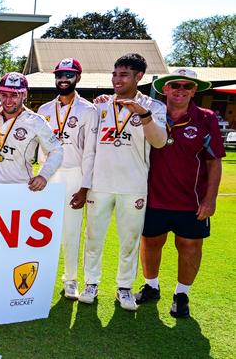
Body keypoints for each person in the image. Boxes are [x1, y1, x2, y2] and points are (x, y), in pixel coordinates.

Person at [78, 53, 167, 311]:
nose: (117, 79)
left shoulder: (154, 107)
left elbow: (160, 142)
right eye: (115, 74)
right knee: (93, 237)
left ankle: (124, 287)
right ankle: (91, 283)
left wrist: (145, 115)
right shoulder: (101, 106)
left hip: (133, 186)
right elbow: (90, 148)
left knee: (129, 240)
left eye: (124, 74)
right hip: (100, 184)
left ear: (139, 77)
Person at [135, 69, 225, 318]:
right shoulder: (151, 113)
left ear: (194, 90)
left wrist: (210, 199)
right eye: (175, 85)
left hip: (191, 200)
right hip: (153, 196)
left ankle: (182, 294)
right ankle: (151, 286)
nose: (181, 90)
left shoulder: (205, 117)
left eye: (187, 86)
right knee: (151, 242)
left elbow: (214, 161)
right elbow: (123, 96)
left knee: (189, 245)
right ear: (165, 88)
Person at [37, 58, 98, 300]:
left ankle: (70, 279)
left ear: (78, 78)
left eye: (69, 75)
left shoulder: (88, 110)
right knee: (42, 230)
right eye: (60, 75)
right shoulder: (43, 111)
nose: (64, 79)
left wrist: (84, 187)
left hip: (74, 175)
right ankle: (40, 278)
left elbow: (91, 150)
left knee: (71, 231)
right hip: (47, 176)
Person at [0, 72, 63, 187]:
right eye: (4, 95)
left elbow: (56, 150)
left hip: (17, 189)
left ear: (24, 94)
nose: (8, 101)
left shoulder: (36, 121)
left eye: (14, 95)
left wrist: (44, 175)